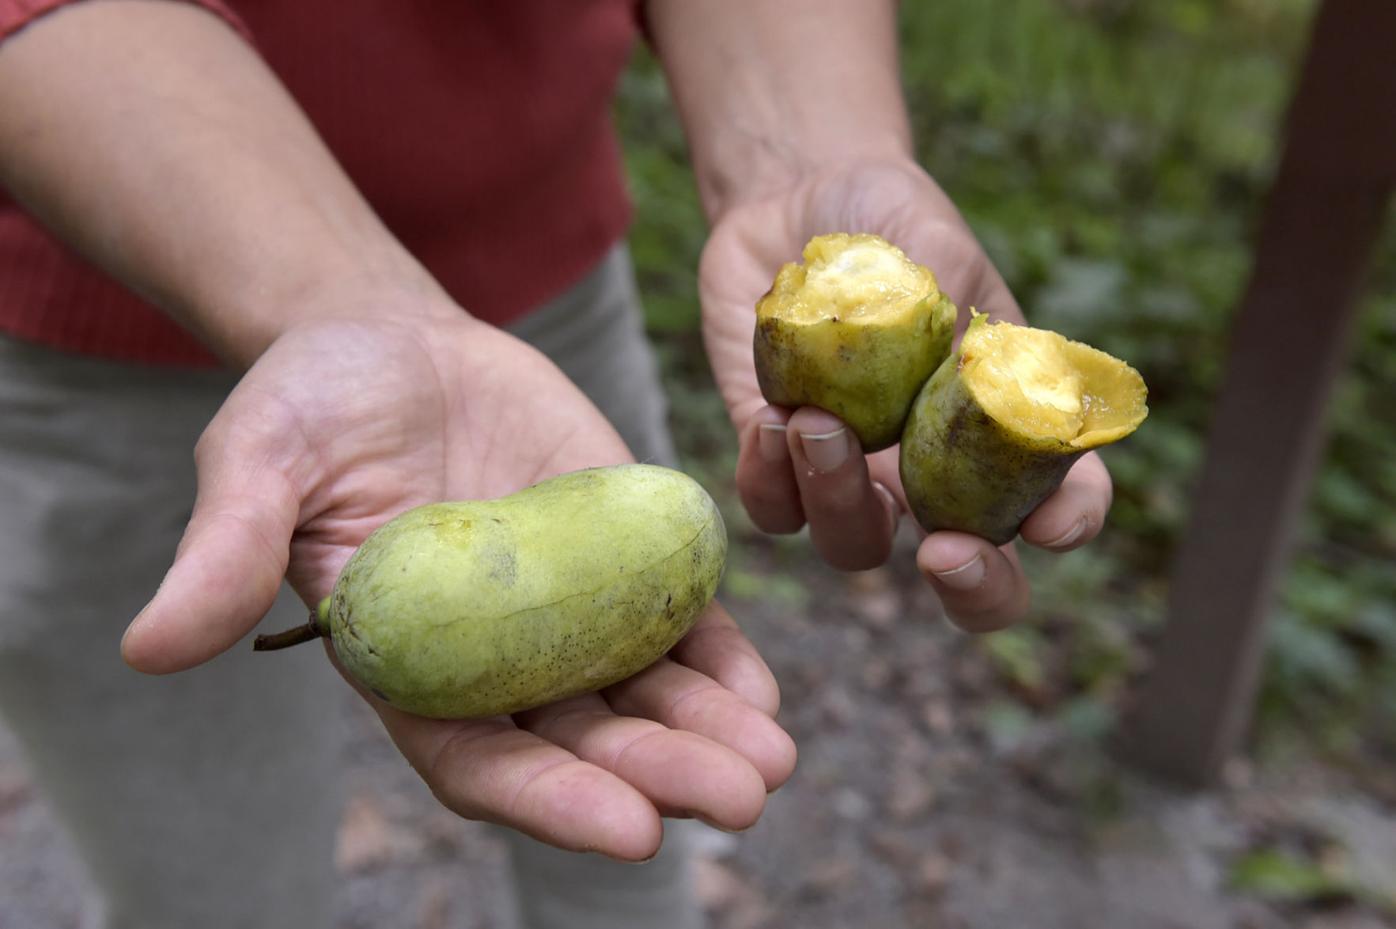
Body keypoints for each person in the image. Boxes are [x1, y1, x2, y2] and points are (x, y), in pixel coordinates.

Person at [0, 1, 1113, 927]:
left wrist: (805, 160)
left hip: (544, 289)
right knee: (207, 884)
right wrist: (342, 296)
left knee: (630, 852)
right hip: (101, 308)